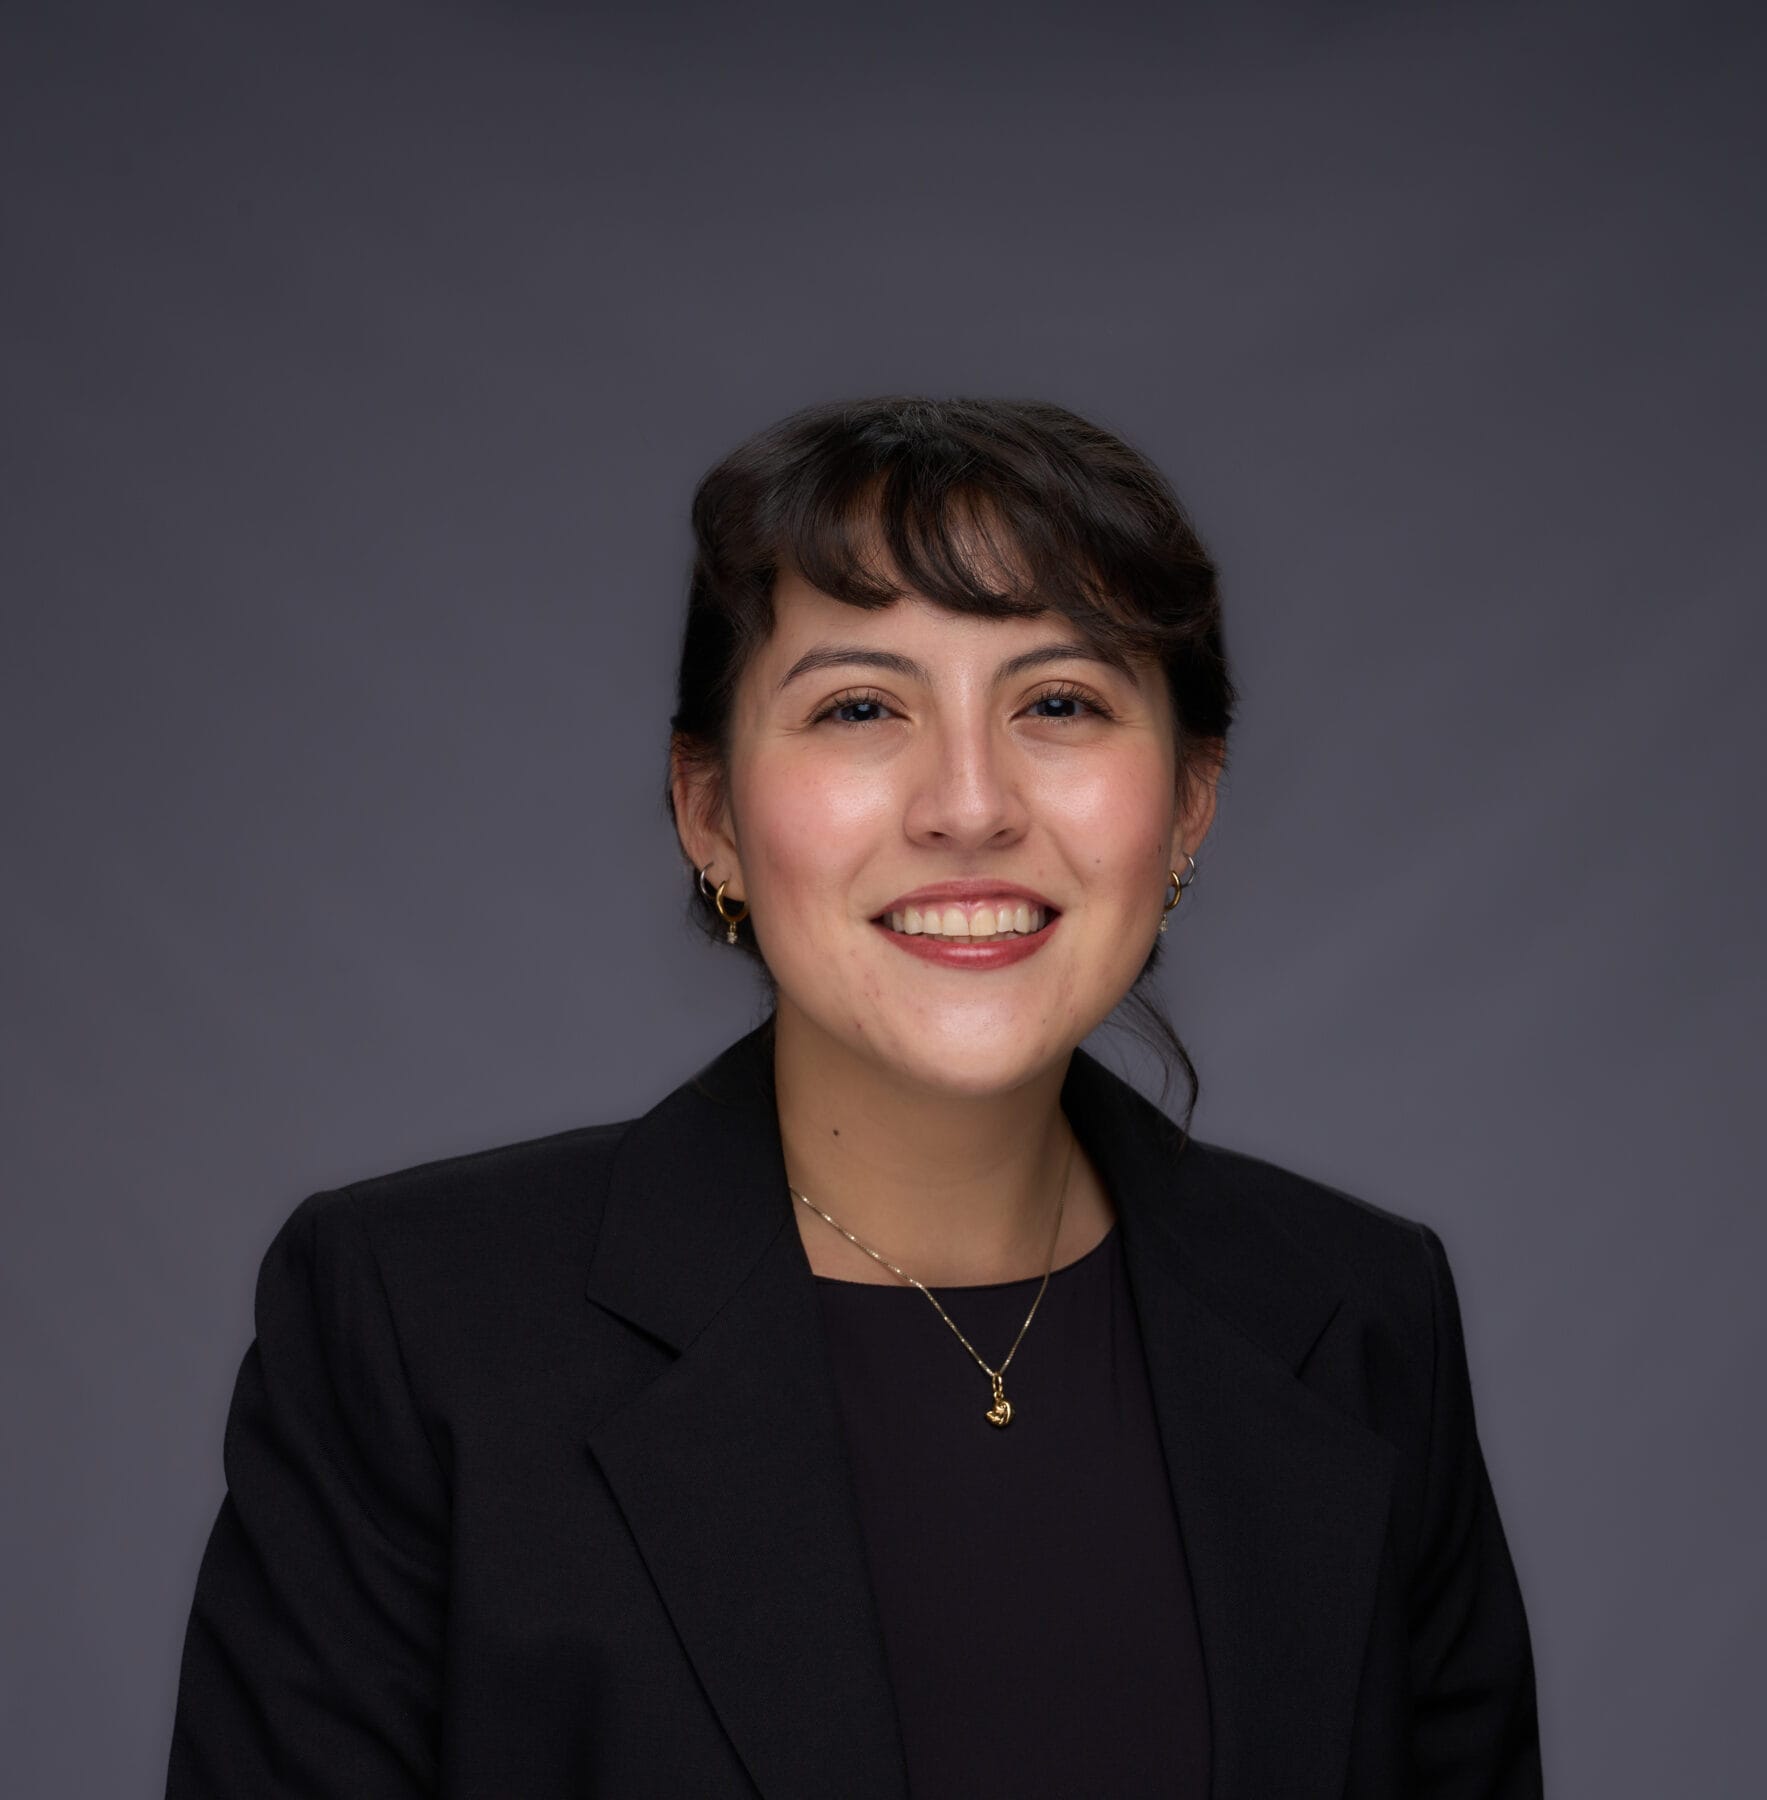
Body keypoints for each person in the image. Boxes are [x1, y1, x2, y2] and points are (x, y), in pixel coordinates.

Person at [164, 395, 1543, 1798]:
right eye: (861, 707)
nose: (968, 804)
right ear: (711, 814)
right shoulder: (418, 1329)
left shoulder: (1366, 1321)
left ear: (1188, 804)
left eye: (1058, 703)